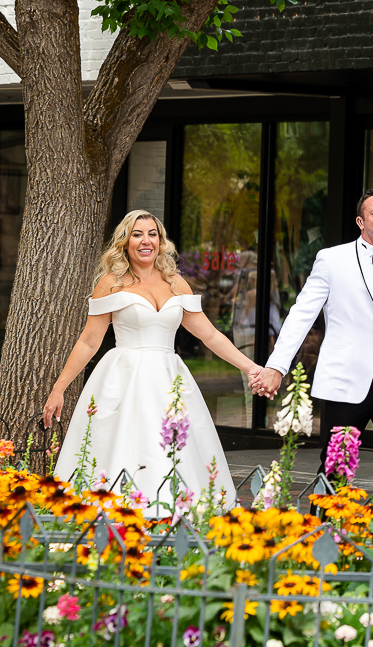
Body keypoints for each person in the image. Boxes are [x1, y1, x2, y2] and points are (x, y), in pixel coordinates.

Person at [44, 210, 257, 510]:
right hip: (123, 378)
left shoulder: (176, 283)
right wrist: (59, 388)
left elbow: (210, 335)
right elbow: (89, 341)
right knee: (123, 444)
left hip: (169, 379)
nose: (146, 241)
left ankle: (174, 514)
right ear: (125, 241)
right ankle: (118, 512)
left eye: (152, 234)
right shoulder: (110, 283)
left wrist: (251, 367)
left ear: (161, 240)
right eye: (137, 234)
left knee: (175, 446)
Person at [250, 187, 373, 482]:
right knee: (336, 468)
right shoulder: (331, 260)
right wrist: (276, 366)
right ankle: (327, 528)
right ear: (360, 222)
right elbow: (302, 314)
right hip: (344, 380)